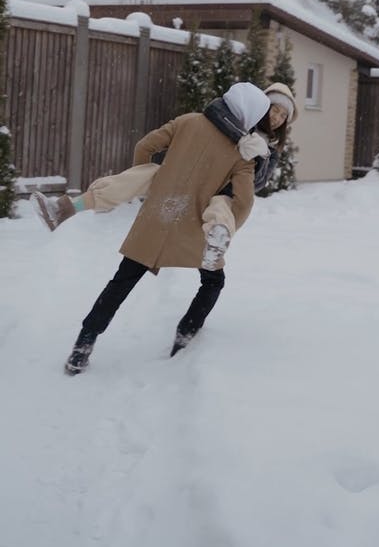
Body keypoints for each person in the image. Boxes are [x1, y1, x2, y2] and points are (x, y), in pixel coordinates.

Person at [56, 82, 297, 374]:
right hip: (199, 224)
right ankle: (185, 335)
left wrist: (148, 178)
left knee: (121, 282)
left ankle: (83, 345)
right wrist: (233, 223)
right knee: (213, 281)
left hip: (158, 214)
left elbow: (145, 145)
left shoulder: (188, 121)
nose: (276, 117)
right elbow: (244, 200)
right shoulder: (242, 153)